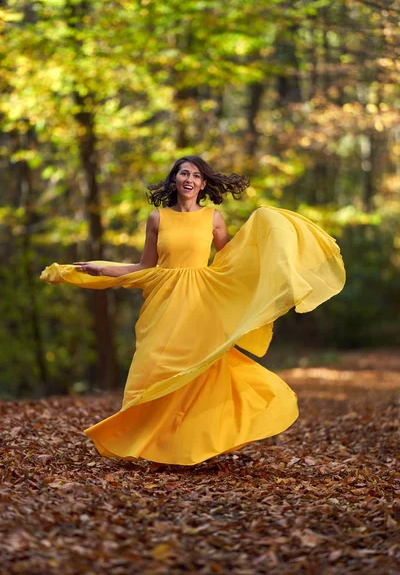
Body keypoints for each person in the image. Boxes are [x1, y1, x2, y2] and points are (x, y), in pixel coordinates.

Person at [40, 156, 346, 465]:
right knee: (151, 367)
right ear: (174, 179)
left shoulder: (213, 218)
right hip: (164, 302)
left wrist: (270, 245)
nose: (190, 178)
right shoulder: (156, 218)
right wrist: (102, 268)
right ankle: (144, 439)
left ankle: (188, 443)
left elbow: (232, 260)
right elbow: (144, 267)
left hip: (201, 303)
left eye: (196, 175)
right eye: (184, 172)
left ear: (202, 184)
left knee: (201, 371)